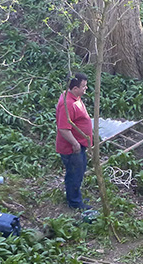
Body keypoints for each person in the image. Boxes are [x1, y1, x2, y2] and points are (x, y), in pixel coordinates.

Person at [55, 72, 94, 210]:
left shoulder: (75, 97)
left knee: (80, 170)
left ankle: (75, 196)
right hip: (72, 148)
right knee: (74, 174)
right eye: (84, 86)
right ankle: (75, 203)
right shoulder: (67, 104)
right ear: (75, 88)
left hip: (80, 145)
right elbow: (63, 129)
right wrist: (75, 143)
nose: (86, 88)